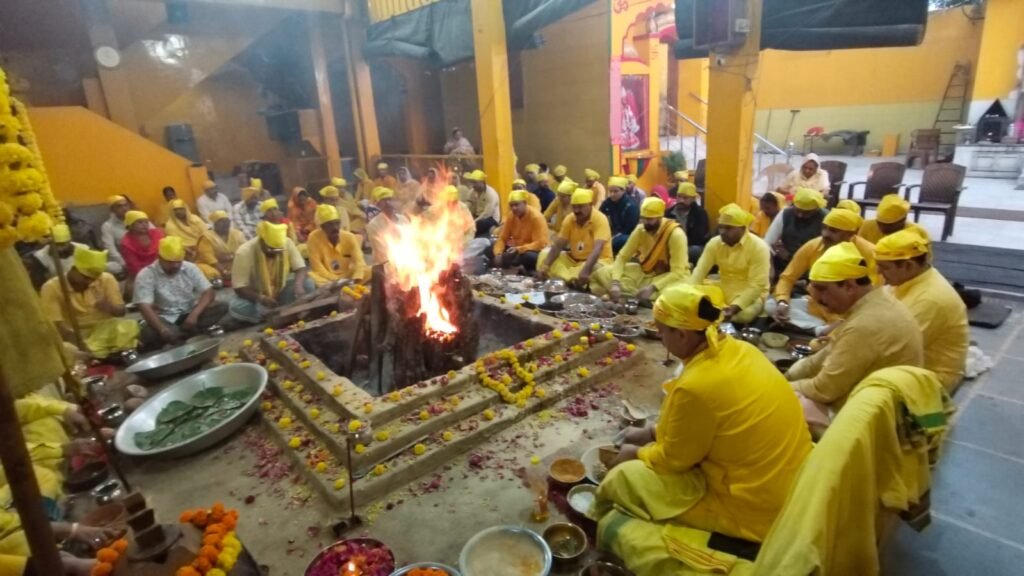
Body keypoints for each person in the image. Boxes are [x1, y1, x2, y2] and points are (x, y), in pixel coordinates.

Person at [598, 284, 811, 543]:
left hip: (754, 508)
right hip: (790, 481)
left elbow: (673, 461)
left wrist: (637, 453)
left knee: (625, 478)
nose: (660, 338)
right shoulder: (743, 349)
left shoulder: (696, 386)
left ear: (684, 336)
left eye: (662, 331)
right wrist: (651, 431)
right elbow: (708, 426)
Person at [787, 242, 923, 429]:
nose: (816, 298)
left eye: (822, 289)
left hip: (881, 420)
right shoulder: (875, 301)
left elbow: (824, 389)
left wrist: (779, 387)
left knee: (785, 405)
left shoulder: (866, 324)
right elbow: (824, 355)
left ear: (850, 287)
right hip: (874, 397)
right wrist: (789, 375)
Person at [875, 229, 968, 391]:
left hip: (931, 378)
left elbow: (894, 351)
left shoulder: (930, 300)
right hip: (905, 362)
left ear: (909, 266)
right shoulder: (906, 280)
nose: (878, 272)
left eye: (884, 267)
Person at [769, 207, 876, 332]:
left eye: (833, 231)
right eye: (824, 228)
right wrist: (783, 302)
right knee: (771, 305)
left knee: (859, 325)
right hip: (816, 306)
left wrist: (848, 317)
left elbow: (870, 292)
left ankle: (826, 329)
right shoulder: (813, 246)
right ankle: (822, 330)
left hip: (847, 312)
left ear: (850, 234)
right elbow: (787, 278)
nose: (825, 234)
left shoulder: (870, 253)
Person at [39, 246, 140, 358]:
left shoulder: (106, 279)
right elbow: (57, 327)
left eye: (93, 279)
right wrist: (82, 345)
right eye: (85, 278)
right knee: (63, 349)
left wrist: (110, 308)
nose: (89, 282)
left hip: (107, 331)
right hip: (75, 336)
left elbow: (121, 312)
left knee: (129, 326)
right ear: (73, 269)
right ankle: (109, 353)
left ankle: (106, 354)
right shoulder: (51, 287)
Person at [591, 197, 689, 304]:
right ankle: (640, 297)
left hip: (669, 277)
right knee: (604, 272)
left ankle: (639, 295)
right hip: (645, 272)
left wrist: (653, 287)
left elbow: (678, 272)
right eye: (643, 218)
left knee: (674, 293)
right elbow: (622, 257)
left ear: (660, 217)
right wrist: (615, 283)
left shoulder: (676, 234)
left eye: (649, 219)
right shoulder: (640, 229)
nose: (645, 222)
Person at [134, 237, 226, 349]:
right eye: (170, 262)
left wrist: (194, 314)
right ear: (159, 257)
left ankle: (180, 336)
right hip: (166, 318)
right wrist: (162, 329)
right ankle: (184, 334)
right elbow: (144, 306)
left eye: (178, 262)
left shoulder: (189, 267)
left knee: (222, 307)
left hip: (190, 312)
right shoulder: (146, 275)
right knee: (149, 333)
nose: (175, 266)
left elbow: (209, 292)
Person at [686, 204, 770, 324]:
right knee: (682, 291)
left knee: (744, 315)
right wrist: (688, 294)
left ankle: (715, 316)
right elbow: (699, 272)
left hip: (751, 294)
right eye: (721, 227)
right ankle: (716, 315)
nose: (723, 232)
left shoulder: (759, 247)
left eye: (728, 228)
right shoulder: (714, 243)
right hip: (723, 288)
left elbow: (757, 285)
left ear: (742, 228)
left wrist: (735, 307)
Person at [229, 221, 313, 325]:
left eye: (278, 250)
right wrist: (261, 298)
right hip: (256, 298)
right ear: (261, 241)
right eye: (271, 249)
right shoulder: (244, 252)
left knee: (308, 284)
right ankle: (279, 314)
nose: (274, 252)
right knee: (237, 306)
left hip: (281, 292)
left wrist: (298, 286)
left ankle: (276, 313)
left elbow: (301, 268)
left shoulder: (287, 243)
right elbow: (239, 287)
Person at [536, 189, 612, 287]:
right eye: (574, 207)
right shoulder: (570, 218)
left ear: (590, 204)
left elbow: (598, 249)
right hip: (573, 260)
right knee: (543, 255)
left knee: (594, 268)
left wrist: (585, 270)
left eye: (580, 207)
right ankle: (569, 279)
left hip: (597, 260)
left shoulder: (600, 219)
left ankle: (561, 278)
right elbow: (558, 245)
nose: (576, 210)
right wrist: (545, 266)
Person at [764, 187, 827, 271]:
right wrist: (770, 267)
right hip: (786, 264)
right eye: (797, 210)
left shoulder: (826, 217)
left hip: (814, 267)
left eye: (806, 212)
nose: (800, 215)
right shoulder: (785, 213)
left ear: (816, 209)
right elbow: (767, 243)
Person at [307, 204, 370, 287]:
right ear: (322, 227)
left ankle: (344, 286)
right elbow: (317, 266)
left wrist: (356, 279)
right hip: (327, 278)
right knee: (311, 277)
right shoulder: (313, 238)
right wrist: (336, 280)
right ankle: (336, 287)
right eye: (330, 225)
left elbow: (359, 261)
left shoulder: (349, 237)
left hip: (348, 276)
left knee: (371, 270)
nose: (335, 227)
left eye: (337, 223)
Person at [490, 190, 548, 273]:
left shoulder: (536, 218)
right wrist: (498, 253)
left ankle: (520, 268)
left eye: (516, 205)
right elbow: (503, 238)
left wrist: (519, 249)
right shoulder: (511, 216)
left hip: (533, 251)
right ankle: (516, 267)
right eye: (511, 205)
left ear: (524, 203)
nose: (514, 208)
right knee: (491, 245)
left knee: (528, 256)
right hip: (516, 250)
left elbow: (540, 244)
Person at [32, 224, 116, 280]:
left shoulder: (84, 249)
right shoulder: (40, 257)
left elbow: (93, 272)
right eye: (56, 245)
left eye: (62, 245)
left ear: (69, 241)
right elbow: (39, 282)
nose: (60, 249)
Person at [195, 211, 245, 282]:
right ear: (214, 224)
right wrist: (223, 271)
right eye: (221, 221)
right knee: (212, 274)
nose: (225, 224)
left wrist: (230, 257)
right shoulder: (207, 237)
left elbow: (244, 252)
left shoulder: (238, 234)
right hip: (213, 266)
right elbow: (209, 258)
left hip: (233, 263)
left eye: (227, 221)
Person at [858, 194, 929, 244]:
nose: (882, 228)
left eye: (888, 225)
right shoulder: (867, 226)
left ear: (903, 220)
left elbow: (923, 263)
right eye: (879, 223)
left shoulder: (918, 233)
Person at [365, 187, 410, 265]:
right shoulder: (373, 225)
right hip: (385, 265)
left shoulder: (403, 219)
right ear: (378, 205)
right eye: (384, 201)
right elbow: (383, 253)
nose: (388, 203)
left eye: (390, 199)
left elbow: (412, 243)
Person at [669, 182, 709, 263]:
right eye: (679, 196)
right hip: (672, 247)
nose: (681, 200)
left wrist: (680, 246)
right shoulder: (669, 213)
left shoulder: (700, 214)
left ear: (693, 199)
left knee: (694, 250)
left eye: (685, 198)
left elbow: (698, 238)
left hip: (690, 247)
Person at [599, 176, 639, 254]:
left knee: (623, 239)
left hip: (626, 235)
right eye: (610, 191)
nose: (612, 194)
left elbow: (629, 230)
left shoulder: (631, 206)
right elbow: (599, 216)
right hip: (611, 233)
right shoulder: (608, 202)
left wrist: (612, 238)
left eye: (615, 191)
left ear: (623, 191)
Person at [120, 211, 165, 278]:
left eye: (146, 222)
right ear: (130, 225)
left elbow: (166, 254)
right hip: (141, 274)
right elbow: (134, 267)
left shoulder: (157, 234)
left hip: (163, 269)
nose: (144, 225)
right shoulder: (126, 243)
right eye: (140, 222)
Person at [99, 194, 131, 275]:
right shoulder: (107, 226)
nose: (124, 209)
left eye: (126, 205)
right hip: (122, 259)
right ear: (112, 209)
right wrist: (124, 263)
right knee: (107, 267)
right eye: (120, 206)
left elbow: (154, 233)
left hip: (142, 255)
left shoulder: (138, 219)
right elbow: (110, 249)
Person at [465, 170, 501, 237]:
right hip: (477, 217)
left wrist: (473, 223)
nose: (473, 185)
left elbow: (486, 214)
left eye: (475, 183)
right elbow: (468, 206)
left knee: (481, 223)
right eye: (472, 182)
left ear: (482, 182)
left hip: (490, 220)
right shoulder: (472, 192)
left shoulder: (491, 194)